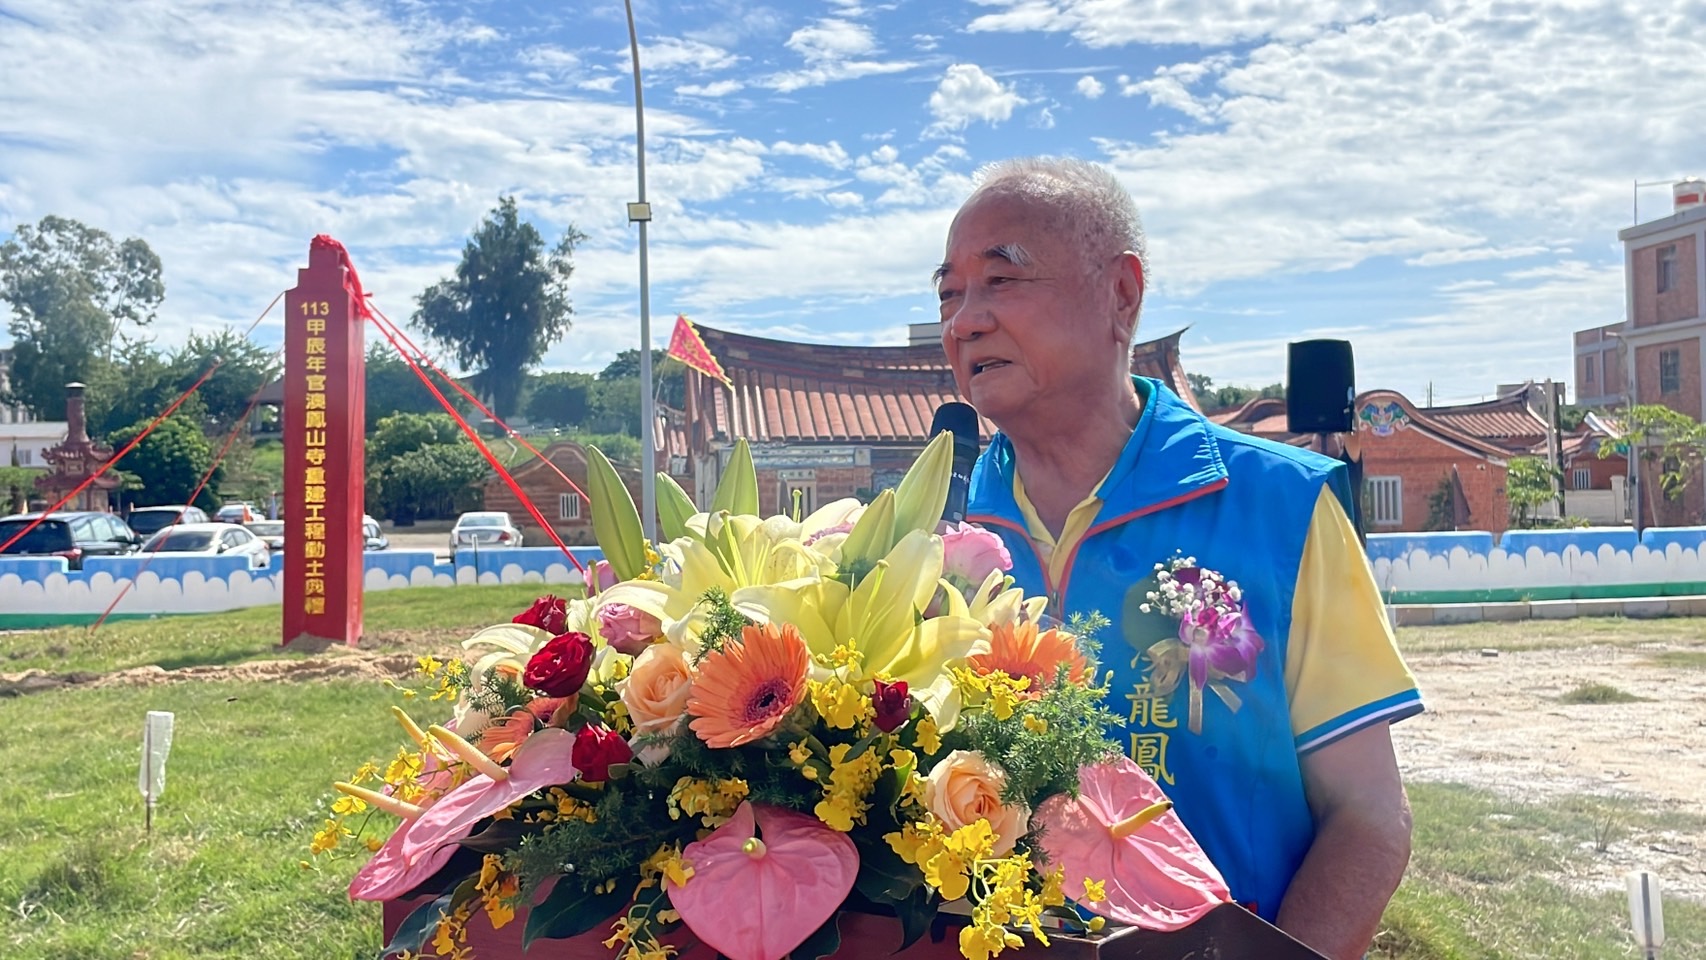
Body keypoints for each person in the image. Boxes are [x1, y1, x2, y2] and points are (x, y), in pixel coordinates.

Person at [935, 157, 1422, 960]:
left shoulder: (1282, 507)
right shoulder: (930, 544)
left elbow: (1369, 816)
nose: (965, 321)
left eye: (1000, 280)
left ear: (1121, 293)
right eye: (949, 293)